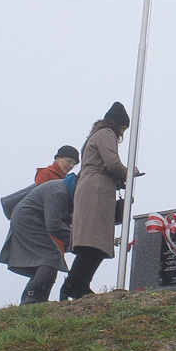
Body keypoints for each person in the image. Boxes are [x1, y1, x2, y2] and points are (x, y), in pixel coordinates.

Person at [61, 102, 139, 300]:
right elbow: (112, 162)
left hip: (96, 186)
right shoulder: (106, 134)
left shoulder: (97, 134)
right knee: (93, 240)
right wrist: (129, 173)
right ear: (118, 124)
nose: (123, 132)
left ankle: (81, 283)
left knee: (97, 241)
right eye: (123, 128)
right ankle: (73, 284)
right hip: (96, 188)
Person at [0, 173, 78, 304]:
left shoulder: (66, 190)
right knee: (50, 255)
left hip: (30, 218)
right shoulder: (59, 192)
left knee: (48, 260)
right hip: (28, 219)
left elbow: (62, 216)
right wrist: (77, 239)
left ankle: (35, 298)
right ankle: (33, 297)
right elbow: (54, 225)